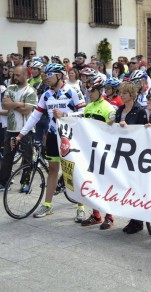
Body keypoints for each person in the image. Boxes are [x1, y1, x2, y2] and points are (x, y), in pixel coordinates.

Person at [12, 64, 86, 218]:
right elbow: (35, 116)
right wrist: (21, 134)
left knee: (72, 170)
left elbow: (84, 112)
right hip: (53, 135)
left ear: (60, 75)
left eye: (50, 74)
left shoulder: (73, 91)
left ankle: (81, 206)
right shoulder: (46, 95)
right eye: (45, 74)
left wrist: (65, 116)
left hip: (70, 136)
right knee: (53, 170)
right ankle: (47, 205)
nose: (46, 77)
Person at [79, 75, 116, 229]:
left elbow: (114, 130)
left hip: (105, 151)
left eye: (92, 90)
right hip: (91, 150)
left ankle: (109, 216)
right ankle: (96, 215)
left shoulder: (108, 108)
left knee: (106, 184)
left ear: (100, 90)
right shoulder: (88, 107)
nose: (89, 93)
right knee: (92, 183)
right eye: (87, 90)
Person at [116, 82, 149, 234]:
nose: (121, 95)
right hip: (121, 152)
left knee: (135, 187)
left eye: (124, 93)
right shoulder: (120, 110)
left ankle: (137, 221)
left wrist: (127, 127)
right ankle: (132, 217)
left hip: (135, 155)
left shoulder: (140, 111)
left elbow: (142, 132)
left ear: (132, 95)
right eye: (120, 92)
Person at [0, 66, 38, 191]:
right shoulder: (10, 88)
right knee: (7, 157)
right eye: (14, 75)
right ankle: (4, 182)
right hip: (11, 129)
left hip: (26, 130)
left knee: (27, 158)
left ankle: (25, 183)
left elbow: (27, 110)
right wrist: (20, 103)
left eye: (17, 75)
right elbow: (5, 104)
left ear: (25, 75)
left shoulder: (31, 91)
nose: (14, 77)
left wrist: (13, 104)